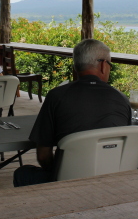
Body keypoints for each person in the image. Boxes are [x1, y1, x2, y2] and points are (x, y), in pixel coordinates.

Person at [13, 39, 131, 187]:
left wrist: (60, 172)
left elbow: (43, 155)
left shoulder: (56, 96)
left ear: (76, 65)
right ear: (102, 65)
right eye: (110, 65)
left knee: (23, 173)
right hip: (111, 179)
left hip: (68, 183)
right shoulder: (121, 99)